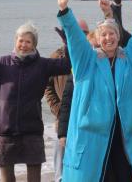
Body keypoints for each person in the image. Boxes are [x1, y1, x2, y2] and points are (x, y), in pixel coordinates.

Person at [55, 0, 132, 181]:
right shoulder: (87, 62)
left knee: (128, 176)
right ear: (98, 39)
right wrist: (65, 11)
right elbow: (75, 39)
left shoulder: (131, 58)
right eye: (104, 35)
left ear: (118, 37)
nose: (108, 37)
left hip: (127, 135)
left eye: (112, 33)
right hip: (93, 137)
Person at [0, 22, 71, 182]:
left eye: (28, 41)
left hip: (32, 131)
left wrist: (68, 42)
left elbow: (68, 65)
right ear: (15, 41)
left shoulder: (43, 65)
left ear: (34, 44)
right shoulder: (1, 63)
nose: (23, 44)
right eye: (20, 40)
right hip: (6, 132)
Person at [45, 21, 89, 182]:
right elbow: (47, 86)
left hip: (85, 119)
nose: (80, 36)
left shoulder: (92, 55)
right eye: (78, 32)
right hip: (62, 118)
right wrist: (58, 109)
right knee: (60, 163)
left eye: (84, 33)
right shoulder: (57, 57)